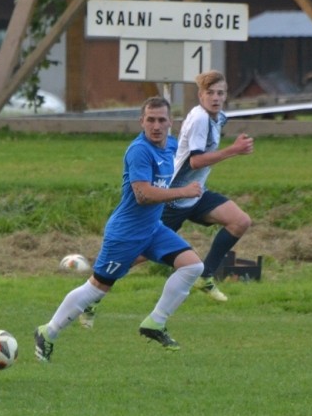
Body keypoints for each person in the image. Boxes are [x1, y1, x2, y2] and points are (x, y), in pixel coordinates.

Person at [34, 97, 204, 362]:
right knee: (97, 288)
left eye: (161, 120)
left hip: (153, 229)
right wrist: (183, 192)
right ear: (141, 121)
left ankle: (155, 322)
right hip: (125, 233)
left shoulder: (171, 145)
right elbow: (143, 195)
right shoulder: (139, 151)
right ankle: (48, 331)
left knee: (193, 266)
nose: (156, 126)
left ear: (171, 122)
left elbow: (193, 160)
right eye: (150, 120)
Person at [163, 69, 254, 302]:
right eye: (210, 92)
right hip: (175, 199)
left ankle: (205, 277)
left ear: (226, 95)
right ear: (200, 95)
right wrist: (234, 150)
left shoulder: (217, 116)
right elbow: (195, 161)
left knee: (240, 221)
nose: (215, 98)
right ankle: (99, 281)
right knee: (142, 253)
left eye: (220, 93)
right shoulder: (200, 119)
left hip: (195, 193)